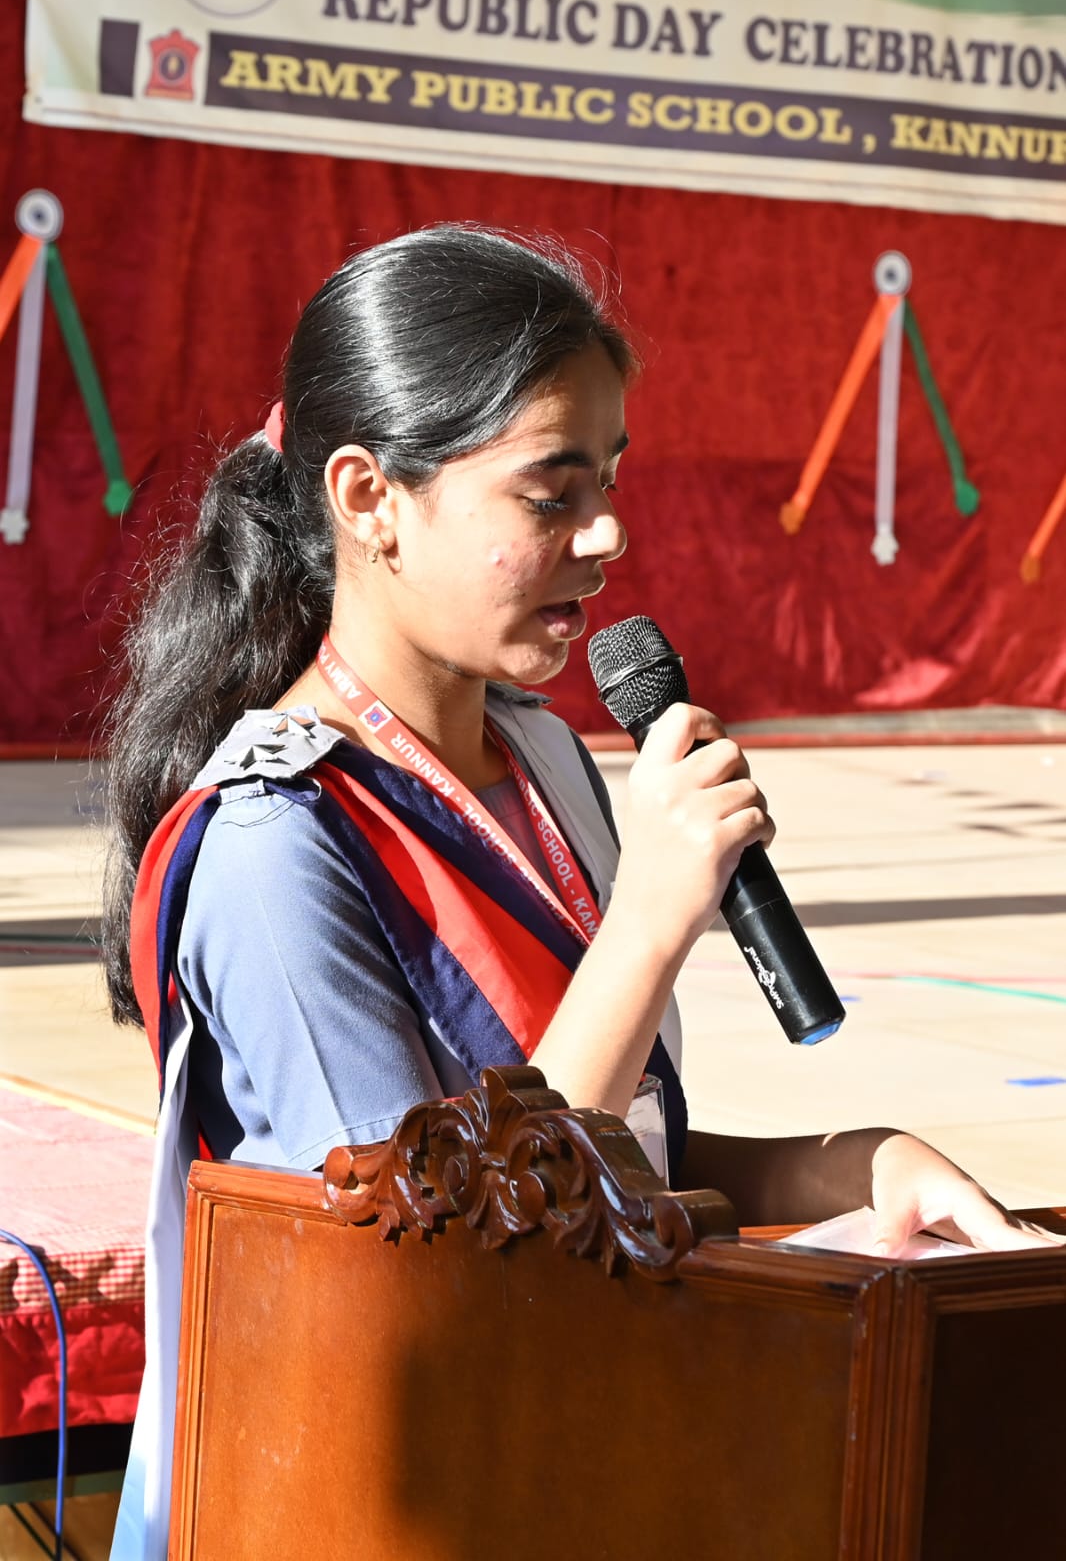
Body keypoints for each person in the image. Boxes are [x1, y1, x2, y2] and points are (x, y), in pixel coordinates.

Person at [101, 224, 1057, 1560]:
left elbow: (617, 1163)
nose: (607, 534)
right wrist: (650, 922)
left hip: (574, 1447)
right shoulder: (275, 841)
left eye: (609, 478)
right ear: (370, 499)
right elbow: (420, 1287)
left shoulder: (547, 763)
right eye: (550, 495)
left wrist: (852, 1164)